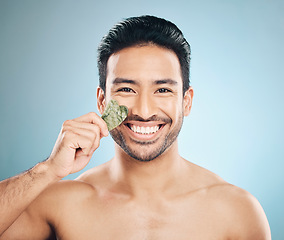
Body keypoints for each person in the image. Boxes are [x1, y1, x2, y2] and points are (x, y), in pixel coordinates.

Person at [0, 15, 271, 239]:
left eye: (163, 89)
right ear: (102, 101)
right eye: (127, 88)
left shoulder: (237, 210)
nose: (143, 111)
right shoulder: (60, 203)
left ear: (186, 102)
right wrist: (47, 170)